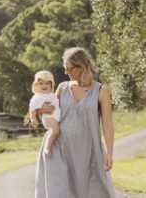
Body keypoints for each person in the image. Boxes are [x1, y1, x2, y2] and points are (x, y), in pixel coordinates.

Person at [35, 47, 116, 198]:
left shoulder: (101, 91)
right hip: (59, 149)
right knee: (58, 192)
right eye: (65, 69)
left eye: (69, 69)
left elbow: (107, 125)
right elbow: (50, 113)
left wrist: (109, 153)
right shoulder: (62, 88)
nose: (66, 73)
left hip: (88, 151)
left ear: (81, 67)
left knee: (95, 191)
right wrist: (40, 110)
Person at [29, 70, 61, 157]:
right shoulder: (37, 96)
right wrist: (33, 119)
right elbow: (32, 108)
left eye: (47, 83)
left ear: (51, 85)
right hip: (48, 118)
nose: (44, 85)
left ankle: (50, 147)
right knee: (55, 130)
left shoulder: (52, 95)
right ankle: (47, 148)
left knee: (56, 131)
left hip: (56, 117)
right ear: (36, 86)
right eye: (41, 83)